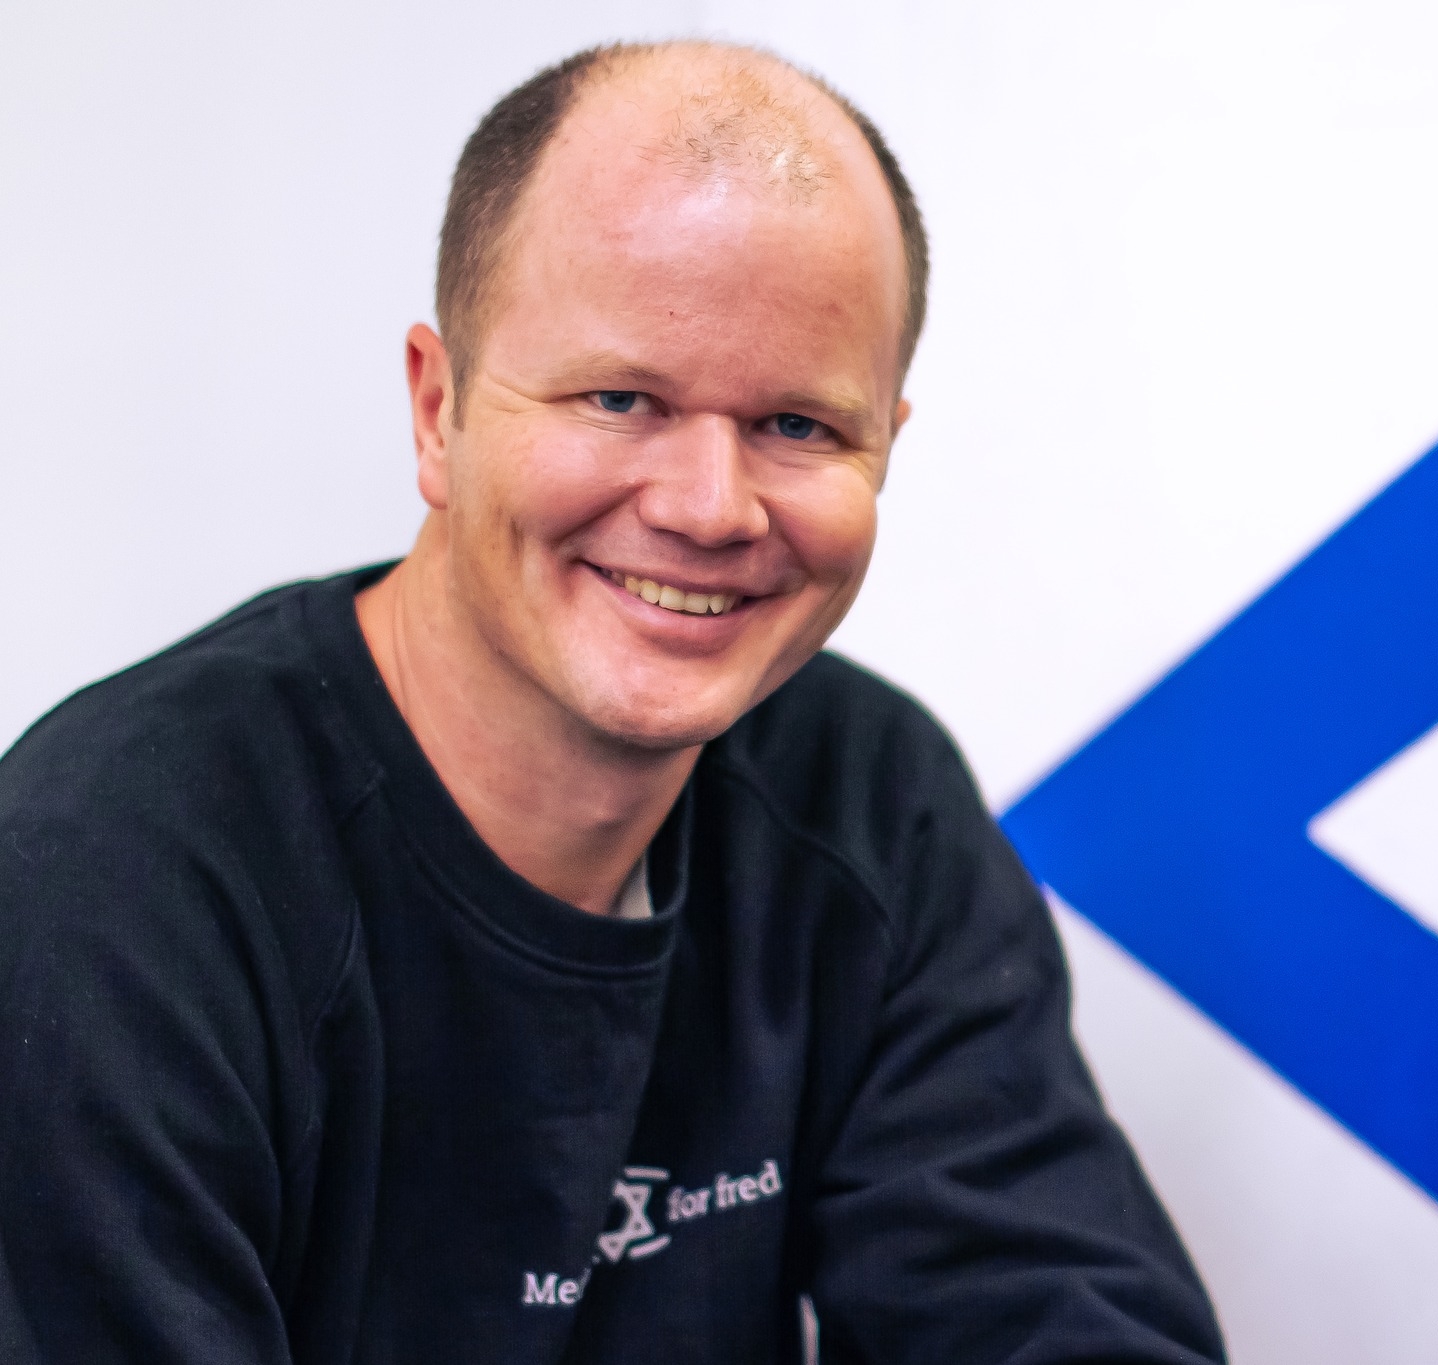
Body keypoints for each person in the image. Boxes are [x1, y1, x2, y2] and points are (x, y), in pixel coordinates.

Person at [0, 40, 1224, 1365]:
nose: (710, 506)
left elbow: (1057, 1318)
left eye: (799, 427)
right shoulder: (115, 879)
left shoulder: (869, 799)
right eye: (621, 398)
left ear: (886, 447)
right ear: (438, 409)